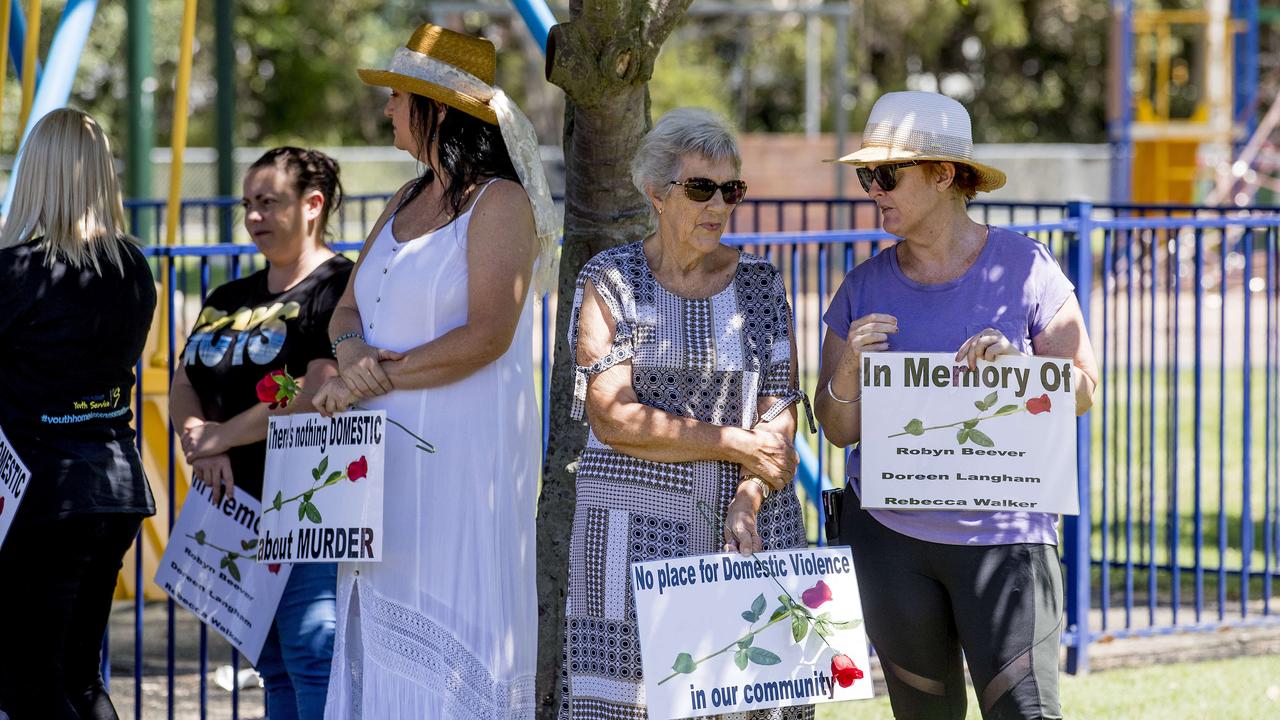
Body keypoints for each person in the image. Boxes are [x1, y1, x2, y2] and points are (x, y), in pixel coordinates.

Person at [816, 90, 1099, 720]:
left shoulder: (1025, 267)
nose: (872, 190)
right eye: (867, 176)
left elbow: (1082, 390)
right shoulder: (862, 285)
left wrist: (1023, 371)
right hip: (891, 541)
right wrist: (850, 370)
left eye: (886, 175)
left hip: (1008, 540)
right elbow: (835, 430)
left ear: (944, 175)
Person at [310, 23, 557, 719]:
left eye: (397, 96)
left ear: (437, 107)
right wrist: (354, 354)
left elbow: (487, 333)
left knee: (449, 617)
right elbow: (347, 308)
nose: (386, 109)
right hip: (375, 472)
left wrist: (378, 377)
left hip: (458, 464)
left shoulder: (499, 203)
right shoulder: (401, 199)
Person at [559, 107, 813, 720]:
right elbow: (613, 417)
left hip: (748, 526)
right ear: (656, 193)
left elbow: (779, 413)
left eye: (731, 190)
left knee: (750, 696)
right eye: (700, 188)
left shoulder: (760, 284)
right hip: (630, 540)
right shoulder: (610, 278)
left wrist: (749, 496)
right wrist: (734, 443)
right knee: (630, 700)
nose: (718, 205)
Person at [169, 147, 352, 720]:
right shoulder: (228, 297)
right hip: (231, 509)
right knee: (270, 665)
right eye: (248, 204)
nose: (254, 217)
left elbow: (315, 387)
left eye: (269, 202)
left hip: (304, 507)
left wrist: (223, 437)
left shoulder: (337, 287)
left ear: (313, 205)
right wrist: (198, 439)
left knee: (311, 659)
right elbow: (185, 377)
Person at [0, 109, 157, 720]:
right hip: (113, 487)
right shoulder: (131, 267)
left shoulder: (18, 272)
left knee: (28, 686)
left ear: (34, 174)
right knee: (80, 678)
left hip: (41, 494)